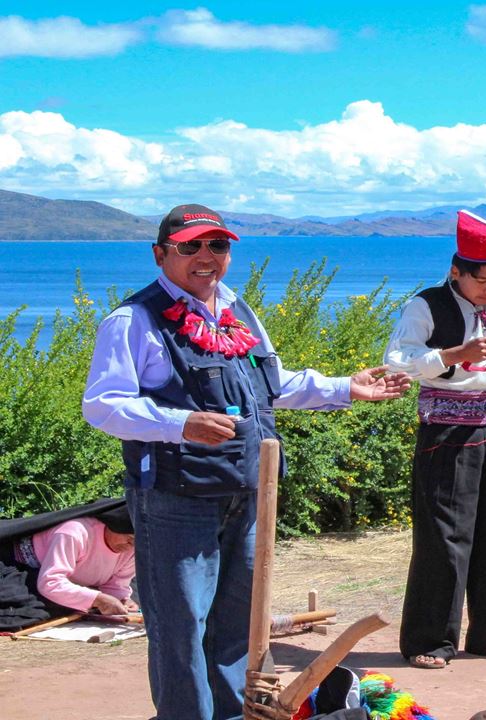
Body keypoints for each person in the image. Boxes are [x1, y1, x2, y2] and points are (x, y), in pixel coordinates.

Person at [82, 204, 409, 720]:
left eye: (218, 245)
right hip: (176, 498)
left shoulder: (240, 312)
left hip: (249, 491)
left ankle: (233, 715)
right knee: (182, 625)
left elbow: (272, 387)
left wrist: (347, 388)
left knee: (238, 621)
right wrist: (180, 424)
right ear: (160, 254)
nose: (206, 256)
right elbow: (102, 405)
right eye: (190, 246)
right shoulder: (133, 321)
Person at [384, 210, 486, 670]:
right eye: (483, 281)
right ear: (457, 271)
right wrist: (455, 354)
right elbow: (398, 360)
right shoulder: (426, 305)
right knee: (445, 536)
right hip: (447, 431)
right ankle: (430, 640)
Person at [0, 502, 136, 629]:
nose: (131, 546)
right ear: (112, 526)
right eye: (129, 538)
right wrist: (97, 599)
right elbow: (51, 582)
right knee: (30, 609)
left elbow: (116, 586)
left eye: (136, 541)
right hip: (20, 569)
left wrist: (122, 600)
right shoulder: (74, 532)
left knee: (140, 595)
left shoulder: (132, 550)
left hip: (67, 583)